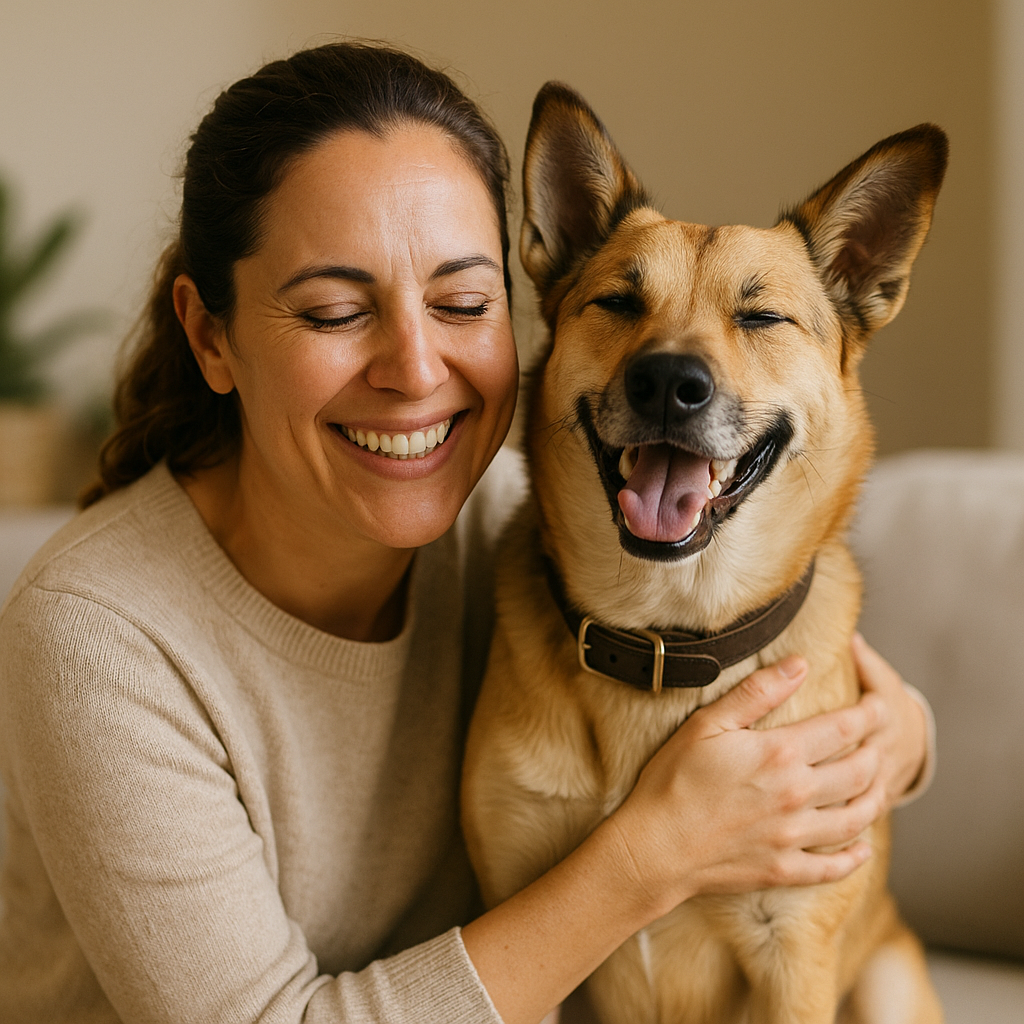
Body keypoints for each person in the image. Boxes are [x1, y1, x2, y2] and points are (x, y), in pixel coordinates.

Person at [0, 42, 932, 1024]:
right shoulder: (98, 636)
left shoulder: (504, 521)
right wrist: (652, 851)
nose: (414, 368)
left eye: (460, 303)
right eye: (334, 309)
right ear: (210, 336)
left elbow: (763, 620)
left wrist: (903, 740)